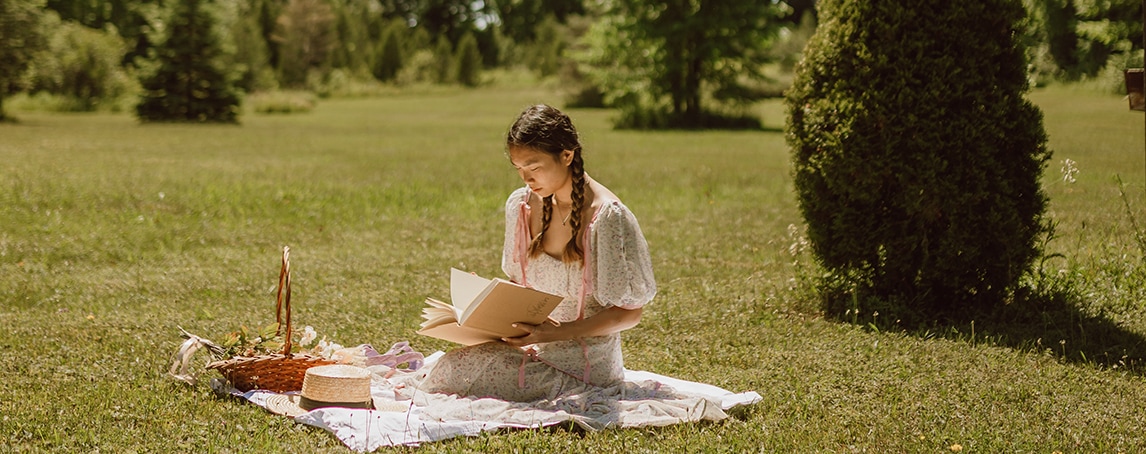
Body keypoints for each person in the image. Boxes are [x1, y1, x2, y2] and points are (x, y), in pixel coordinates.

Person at [416, 104, 656, 401]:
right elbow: (522, 289)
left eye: (534, 167)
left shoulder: (607, 218)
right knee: (454, 365)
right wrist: (485, 301)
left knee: (460, 373)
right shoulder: (522, 205)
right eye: (519, 169)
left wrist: (554, 334)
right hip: (529, 348)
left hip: (585, 366)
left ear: (567, 155)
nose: (526, 179)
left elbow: (629, 313)